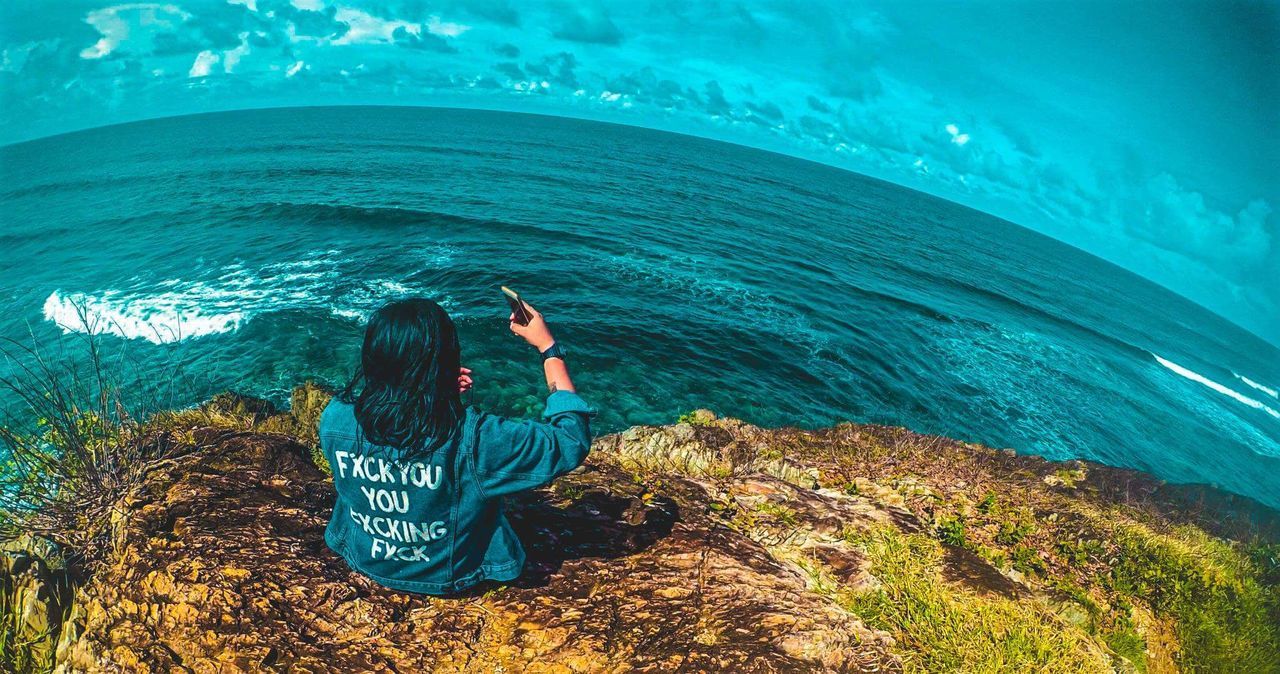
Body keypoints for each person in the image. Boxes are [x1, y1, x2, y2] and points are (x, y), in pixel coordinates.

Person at [318, 296, 594, 595]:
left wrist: (434, 393)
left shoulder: (336, 417)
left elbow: (397, 436)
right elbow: (569, 440)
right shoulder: (477, 439)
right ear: (447, 357)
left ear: (372, 356)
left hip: (366, 557)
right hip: (449, 574)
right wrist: (548, 349)